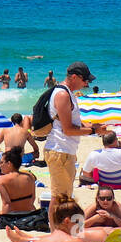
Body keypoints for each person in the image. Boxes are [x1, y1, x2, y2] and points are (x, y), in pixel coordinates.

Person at [42, 62, 106, 203]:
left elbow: (73, 123)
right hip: (59, 150)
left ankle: (58, 225)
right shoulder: (62, 94)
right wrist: (93, 130)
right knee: (60, 198)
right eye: (85, 80)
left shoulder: (68, 94)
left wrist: (93, 127)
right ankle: (55, 225)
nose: (86, 84)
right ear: (75, 77)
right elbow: (68, 130)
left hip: (64, 151)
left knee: (63, 196)